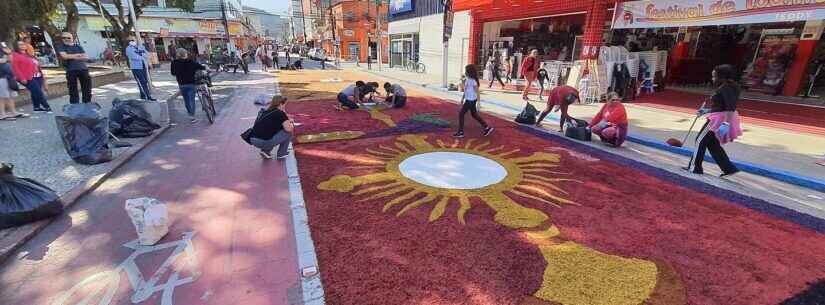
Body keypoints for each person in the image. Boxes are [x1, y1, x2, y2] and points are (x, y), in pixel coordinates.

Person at [685, 64, 743, 177]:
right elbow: (721, 105)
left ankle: (695, 167)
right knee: (712, 144)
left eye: (714, 76)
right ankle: (728, 168)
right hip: (720, 116)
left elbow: (730, 107)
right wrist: (706, 111)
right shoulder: (728, 86)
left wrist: (726, 124)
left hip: (719, 119)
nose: (712, 79)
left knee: (700, 140)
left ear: (722, 77)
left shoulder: (726, 88)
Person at [454, 64, 494, 138]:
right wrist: (462, 98)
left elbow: (477, 92)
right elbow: (465, 90)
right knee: (474, 114)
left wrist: (479, 102)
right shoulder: (468, 80)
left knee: (461, 114)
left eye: (466, 71)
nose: (465, 72)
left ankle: (460, 132)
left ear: (469, 72)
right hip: (469, 100)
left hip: (471, 101)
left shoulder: (473, 81)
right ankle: (487, 127)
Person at [249, 95, 294, 159]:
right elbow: (289, 129)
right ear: (281, 104)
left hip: (253, 139)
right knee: (288, 132)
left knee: (271, 131)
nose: (284, 106)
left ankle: (265, 151)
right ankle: (282, 153)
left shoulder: (265, 111)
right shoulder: (280, 113)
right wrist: (291, 123)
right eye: (284, 104)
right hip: (263, 141)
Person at [12, 40, 52, 112]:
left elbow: (36, 65)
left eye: (23, 44)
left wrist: (42, 76)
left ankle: (36, 108)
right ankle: (47, 107)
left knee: (35, 92)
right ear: (16, 46)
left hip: (35, 76)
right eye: (20, 44)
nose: (22, 45)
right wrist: (22, 78)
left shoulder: (28, 54)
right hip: (25, 77)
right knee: (38, 92)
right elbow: (15, 68)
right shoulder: (15, 55)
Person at [171, 48, 206, 123]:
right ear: (185, 54)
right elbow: (200, 67)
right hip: (191, 83)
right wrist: (205, 67)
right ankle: (192, 116)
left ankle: (190, 114)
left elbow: (173, 73)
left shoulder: (174, 62)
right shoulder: (190, 61)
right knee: (191, 100)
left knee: (186, 100)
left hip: (181, 84)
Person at [55, 32, 92, 104]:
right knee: (73, 90)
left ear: (72, 38)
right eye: (64, 38)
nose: (66, 39)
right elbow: (64, 56)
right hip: (71, 70)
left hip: (83, 69)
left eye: (68, 38)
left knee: (87, 89)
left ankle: (87, 104)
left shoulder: (78, 46)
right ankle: (75, 107)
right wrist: (78, 55)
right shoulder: (61, 46)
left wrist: (71, 56)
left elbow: (86, 57)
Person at [0, 43, 27, 121]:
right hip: (1, 76)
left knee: (11, 95)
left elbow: (11, 59)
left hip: (9, 76)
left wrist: (8, 53)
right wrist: (5, 59)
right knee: (2, 96)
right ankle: (2, 114)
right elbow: (2, 60)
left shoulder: (3, 49)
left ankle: (13, 112)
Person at [125, 36, 155, 101]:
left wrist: (142, 55)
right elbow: (134, 57)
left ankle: (146, 95)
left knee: (145, 81)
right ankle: (146, 96)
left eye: (133, 40)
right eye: (131, 40)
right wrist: (142, 56)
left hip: (143, 66)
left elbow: (147, 54)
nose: (132, 41)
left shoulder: (140, 47)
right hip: (136, 68)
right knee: (141, 82)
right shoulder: (128, 48)